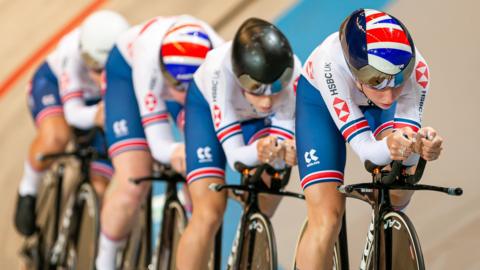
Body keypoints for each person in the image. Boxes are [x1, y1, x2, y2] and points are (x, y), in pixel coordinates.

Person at [294, 9, 443, 269]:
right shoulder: (330, 63)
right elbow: (366, 150)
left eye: (399, 81)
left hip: (369, 107)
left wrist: (420, 146)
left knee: (398, 187)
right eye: (377, 82)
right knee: (327, 217)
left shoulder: (417, 69)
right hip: (319, 105)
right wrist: (390, 146)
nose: (388, 95)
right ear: (355, 71)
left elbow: (406, 140)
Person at [96, 15, 223, 269]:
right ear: (165, 73)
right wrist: (177, 151)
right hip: (126, 72)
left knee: (201, 175)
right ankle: (105, 261)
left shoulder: (219, 57)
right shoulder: (148, 63)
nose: (182, 94)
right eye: (178, 87)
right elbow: (159, 143)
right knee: (134, 179)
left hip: (191, 79)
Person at [177, 17, 301, 269]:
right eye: (255, 88)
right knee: (209, 213)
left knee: (272, 181)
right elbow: (236, 158)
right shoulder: (218, 72)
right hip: (207, 114)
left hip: (254, 120)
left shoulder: (292, 72)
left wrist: (286, 149)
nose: (266, 101)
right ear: (238, 75)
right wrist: (260, 150)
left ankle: (250, 235)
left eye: (274, 89)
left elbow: (284, 134)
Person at [14, 10, 129, 237]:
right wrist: (99, 114)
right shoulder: (71, 50)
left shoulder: (130, 52)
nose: (102, 77)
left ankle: (73, 242)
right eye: (97, 69)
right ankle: (28, 189)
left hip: (96, 101)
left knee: (99, 187)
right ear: (85, 55)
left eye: (109, 70)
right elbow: (73, 114)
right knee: (56, 137)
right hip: (55, 87)